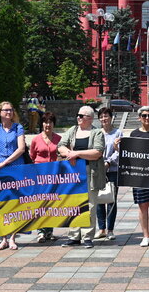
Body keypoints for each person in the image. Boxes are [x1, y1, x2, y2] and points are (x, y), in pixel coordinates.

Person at [59, 106, 106, 249]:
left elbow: (97, 152)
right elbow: (60, 145)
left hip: (90, 172)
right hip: (73, 173)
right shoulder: (72, 130)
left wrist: (77, 154)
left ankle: (87, 236)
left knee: (90, 205)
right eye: (78, 115)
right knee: (73, 204)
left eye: (81, 115)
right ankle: (73, 236)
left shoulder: (97, 132)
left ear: (90, 118)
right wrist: (69, 153)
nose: (78, 117)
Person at [122, 106, 149, 246]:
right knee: (142, 206)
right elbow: (128, 156)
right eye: (144, 115)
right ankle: (145, 235)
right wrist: (118, 148)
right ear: (139, 118)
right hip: (139, 175)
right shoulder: (134, 134)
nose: (147, 118)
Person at [0, 101, 27, 250]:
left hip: (15, 167)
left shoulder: (18, 128)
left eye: (11, 110)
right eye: (5, 110)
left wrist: (5, 163)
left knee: (14, 202)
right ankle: (3, 237)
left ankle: (12, 238)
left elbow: (21, 148)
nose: (8, 112)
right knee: (1, 203)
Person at [29, 112, 61, 242]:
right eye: (45, 122)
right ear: (42, 124)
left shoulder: (59, 139)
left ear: (54, 124)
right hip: (39, 174)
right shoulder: (36, 139)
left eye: (50, 122)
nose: (48, 125)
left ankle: (50, 231)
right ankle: (41, 231)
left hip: (54, 174)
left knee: (52, 203)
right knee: (41, 203)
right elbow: (32, 156)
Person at [96, 107, 121, 241]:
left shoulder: (118, 133)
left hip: (112, 170)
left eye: (106, 116)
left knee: (111, 199)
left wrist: (109, 162)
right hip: (98, 170)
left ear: (111, 118)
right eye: (101, 117)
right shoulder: (96, 133)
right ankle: (101, 229)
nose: (104, 119)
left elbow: (120, 151)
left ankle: (110, 230)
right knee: (99, 199)